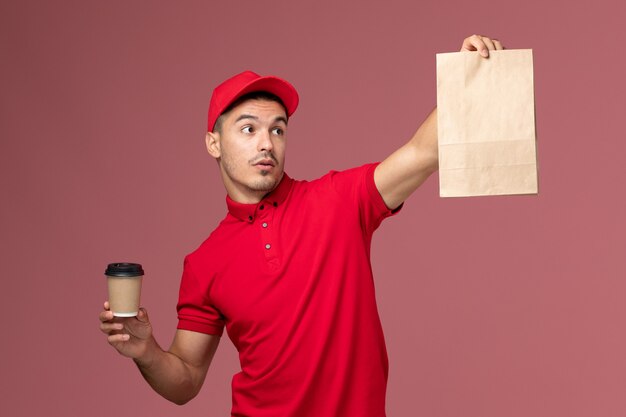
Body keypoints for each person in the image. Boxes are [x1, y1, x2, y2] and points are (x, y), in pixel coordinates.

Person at [100, 35, 504, 416]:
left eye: (278, 129)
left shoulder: (339, 201)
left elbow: (423, 153)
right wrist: (146, 351)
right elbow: (185, 378)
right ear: (214, 143)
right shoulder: (204, 262)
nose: (266, 143)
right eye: (248, 129)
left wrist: (465, 77)